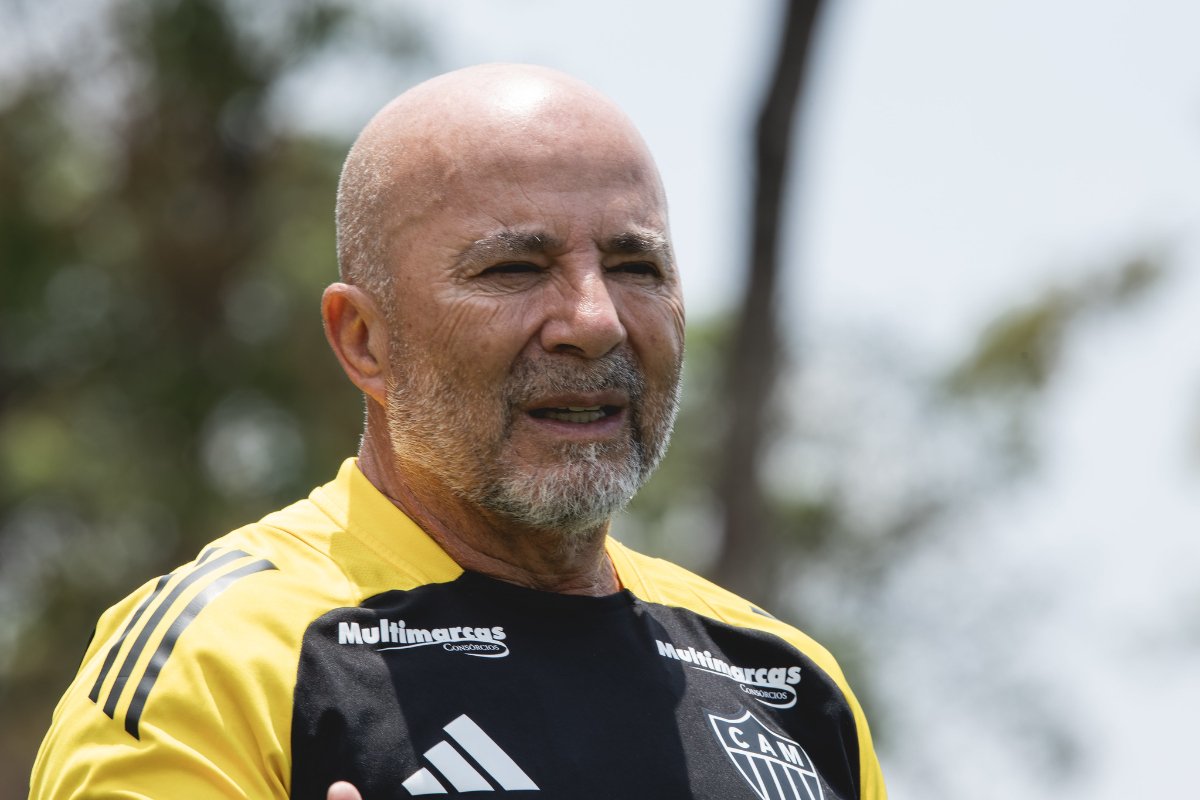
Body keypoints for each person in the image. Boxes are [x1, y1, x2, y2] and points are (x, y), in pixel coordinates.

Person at [29, 64, 887, 800]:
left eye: (636, 267)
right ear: (364, 341)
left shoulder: (788, 685)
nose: (594, 320)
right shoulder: (218, 660)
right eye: (514, 268)